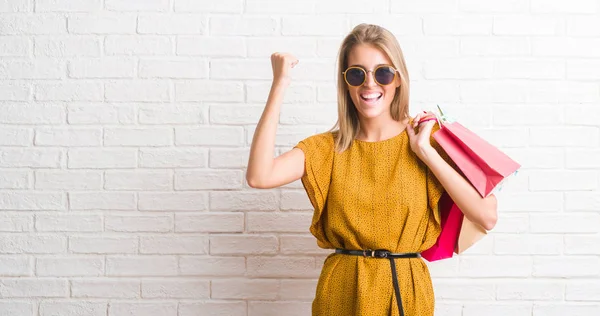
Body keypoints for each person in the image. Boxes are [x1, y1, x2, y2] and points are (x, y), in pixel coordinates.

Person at [246, 23, 498, 316]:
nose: (370, 84)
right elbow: (259, 176)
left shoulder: (427, 140)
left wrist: (426, 153)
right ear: (346, 83)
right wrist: (280, 84)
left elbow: (486, 215)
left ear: (399, 79)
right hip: (341, 292)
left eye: (383, 73)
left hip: (405, 290)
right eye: (357, 74)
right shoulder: (326, 149)